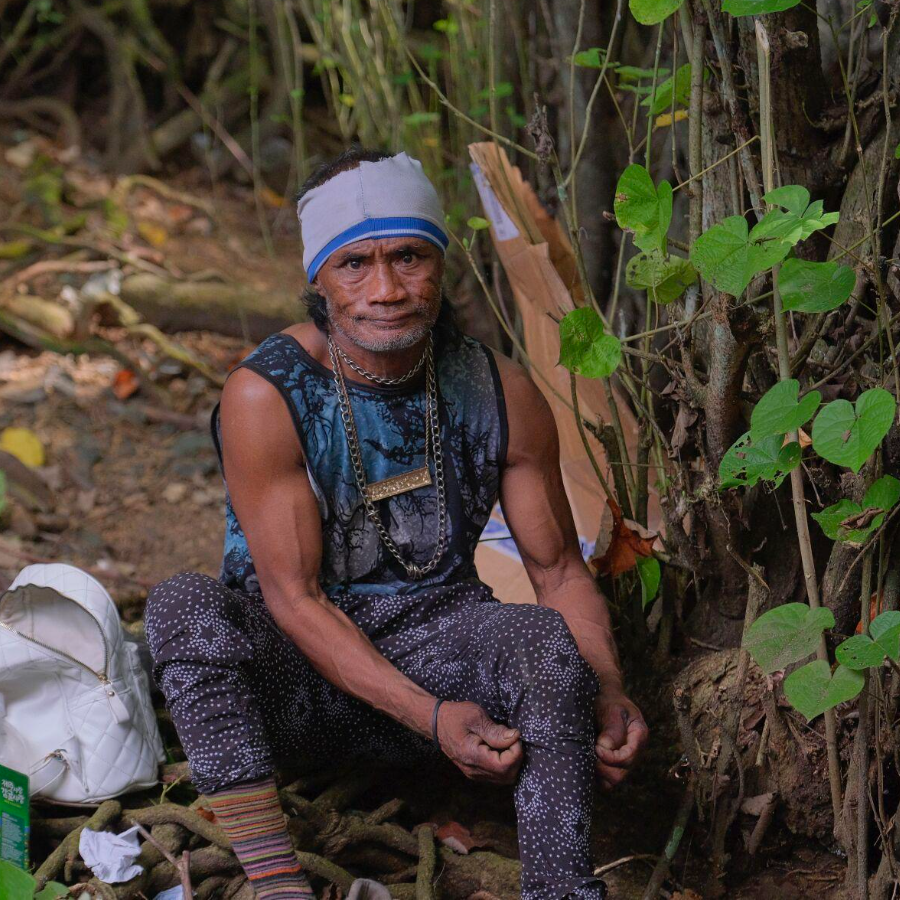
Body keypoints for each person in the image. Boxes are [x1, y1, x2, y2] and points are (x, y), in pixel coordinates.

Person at [145, 147, 648, 900]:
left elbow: (559, 573)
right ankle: (278, 885)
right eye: (356, 265)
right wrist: (430, 716)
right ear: (318, 276)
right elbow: (293, 599)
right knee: (184, 607)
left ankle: (562, 888)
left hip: (444, 651)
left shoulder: (498, 388)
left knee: (545, 641)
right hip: (299, 685)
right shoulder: (268, 394)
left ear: (442, 265)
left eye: (410, 257)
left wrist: (606, 688)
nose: (385, 290)